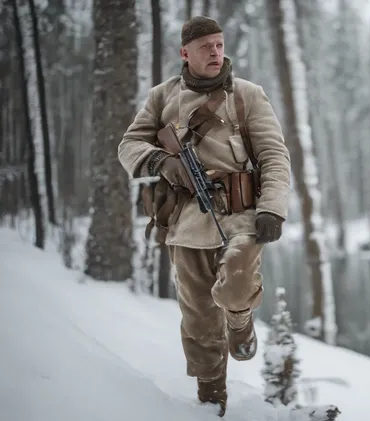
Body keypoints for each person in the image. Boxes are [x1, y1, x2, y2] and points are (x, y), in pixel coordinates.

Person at [117, 16, 291, 416]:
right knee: (198, 321)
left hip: (243, 213)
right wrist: (161, 160)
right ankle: (212, 403)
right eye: (205, 47)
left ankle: (241, 319)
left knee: (236, 284)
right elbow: (129, 145)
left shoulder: (247, 95)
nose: (215, 52)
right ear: (185, 53)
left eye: (219, 45)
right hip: (186, 220)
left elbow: (274, 155)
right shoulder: (162, 97)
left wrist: (272, 207)